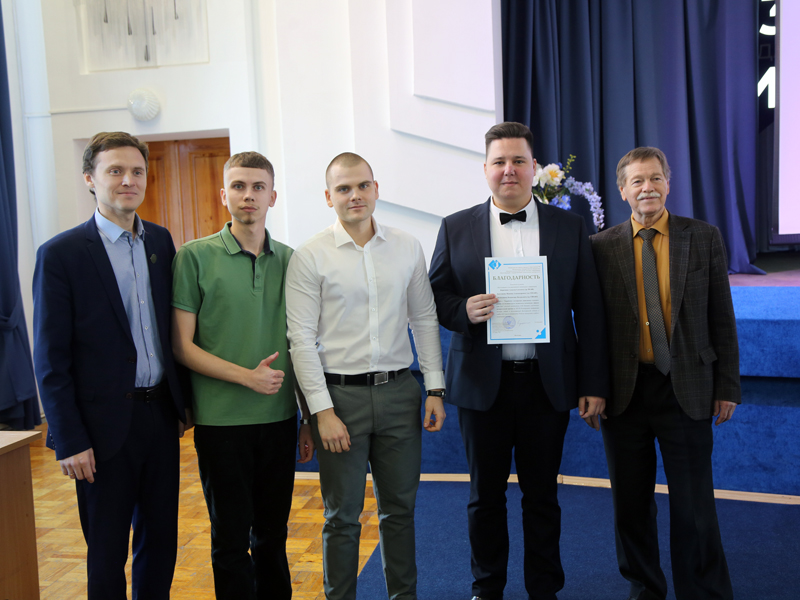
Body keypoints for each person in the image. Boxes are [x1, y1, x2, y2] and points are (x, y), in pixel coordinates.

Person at [429, 122, 609, 600]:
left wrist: (593, 383)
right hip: (481, 384)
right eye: (499, 162)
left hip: (545, 384)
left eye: (518, 161)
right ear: (485, 169)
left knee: (543, 496)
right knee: (484, 497)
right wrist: (463, 311)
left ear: (533, 167)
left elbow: (590, 309)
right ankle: (486, 588)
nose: (508, 170)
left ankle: (544, 589)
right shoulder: (454, 226)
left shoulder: (569, 226)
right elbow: (436, 296)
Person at [32, 131, 189, 599]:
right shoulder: (60, 254)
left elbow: (170, 330)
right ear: (90, 179)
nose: (128, 180)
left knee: (160, 544)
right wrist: (69, 439)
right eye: (115, 171)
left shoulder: (160, 240)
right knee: (106, 554)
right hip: (99, 431)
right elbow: (50, 359)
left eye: (137, 171)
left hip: (159, 418)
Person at [286, 152, 446, 600]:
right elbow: (301, 340)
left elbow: (424, 319)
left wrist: (434, 387)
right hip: (340, 400)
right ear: (328, 197)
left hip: (399, 393)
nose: (354, 195)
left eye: (362, 186)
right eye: (343, 188)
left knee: (400, 511)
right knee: (342, 517)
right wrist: (321, 412)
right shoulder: (310, 255)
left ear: (376, 189)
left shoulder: (407, 246)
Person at [590, 147, 739, 600]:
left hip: (688, 387)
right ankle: (644, 590)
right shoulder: (600, 247)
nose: (647, 188)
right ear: (622, 190)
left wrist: (728, 386)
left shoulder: (703, 237)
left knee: (695, 507)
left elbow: (722, 316)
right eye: (637, 181)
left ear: (668, 183)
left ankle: (704, 592)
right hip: (625, 393)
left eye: (655, 178)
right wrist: (592, 387)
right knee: (630, 506)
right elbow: (592, 328)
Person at [171, 151, 314, 600]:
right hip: (221, 424)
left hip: (279, 420)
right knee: (230, 541)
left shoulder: (292, 260)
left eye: (257, 187)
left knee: (272, 536)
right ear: (224, 195)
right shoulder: (193, 257)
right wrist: (246, 378)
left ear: (273, 196)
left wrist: (307, 417)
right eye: (238, 186)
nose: (248, 195)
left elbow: (304, 344)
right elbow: (181, 346)